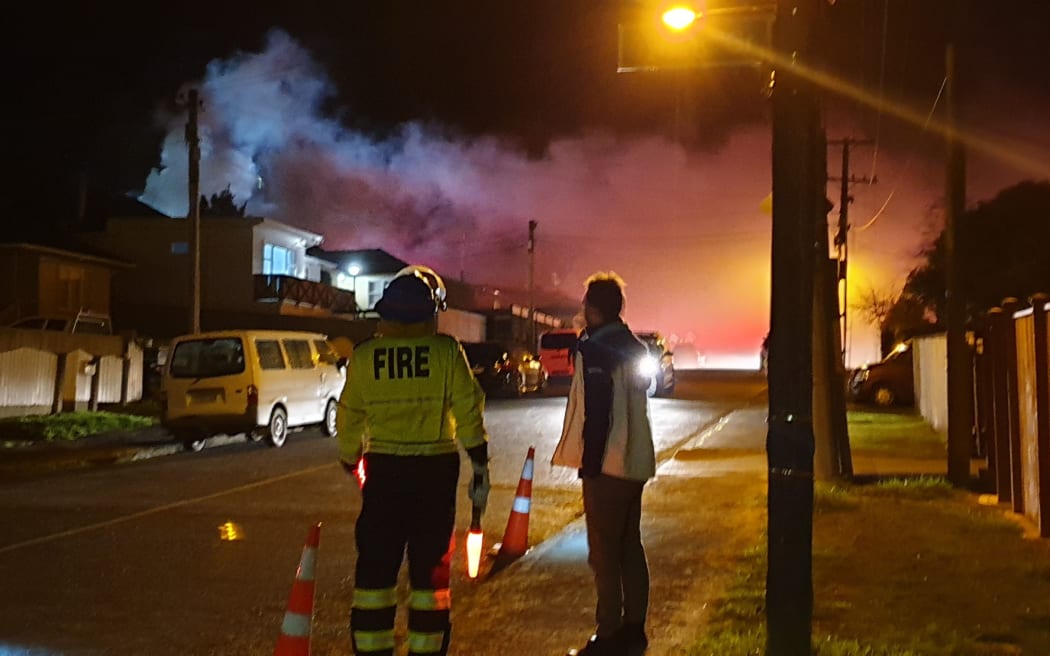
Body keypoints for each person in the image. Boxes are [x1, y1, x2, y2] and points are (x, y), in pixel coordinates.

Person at [337, 265, 490, 656]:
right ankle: (426, 648)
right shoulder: (446, 351)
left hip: (385, 471)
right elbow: (468, 409)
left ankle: (372, 648)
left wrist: (348, 456)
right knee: (430, 571)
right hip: (435, 472)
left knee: (375, 567)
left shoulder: (365, 356)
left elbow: (349, 414)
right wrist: (478, 459)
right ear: (430, 312)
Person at [552, 272, 656, 656]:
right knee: (631, 546)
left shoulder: (595, 350)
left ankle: (608, 634)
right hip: (635, 464)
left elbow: (596, 414)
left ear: (592, 309)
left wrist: (590, 464)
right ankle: (635, 629)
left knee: (603, 553)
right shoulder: (633, 346)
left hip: (608, 465)